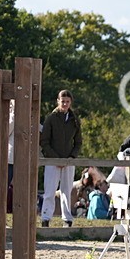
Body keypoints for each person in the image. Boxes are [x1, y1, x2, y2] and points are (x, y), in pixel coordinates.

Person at [39, 90, 82, 228]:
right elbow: (44, 141)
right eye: (62, 101)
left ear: (70, 103)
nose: (65, 104)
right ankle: (46, 217)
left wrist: (71, 157)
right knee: (50, 191)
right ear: (58, 101)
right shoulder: (51, 118)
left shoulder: (74, 119)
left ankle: (67, 218)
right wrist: (56, 158)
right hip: (52, 161)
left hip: (68, 161)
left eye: (67, 102)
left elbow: (78, 142)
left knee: (66, 190)